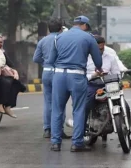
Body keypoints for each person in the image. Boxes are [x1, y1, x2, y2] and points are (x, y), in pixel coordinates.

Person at [48, 15, 103, 152]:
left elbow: (50, 60)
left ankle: (55, 143)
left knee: (57, 109)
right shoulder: (88, 37)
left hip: (59, 76)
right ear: (84, 25)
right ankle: (77, 143)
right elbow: (98, 61)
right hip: (77, 76)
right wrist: (99, 68)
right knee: (78, 110)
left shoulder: (59, 37)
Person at [85, 36, 131, 149]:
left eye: (102, 48)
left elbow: (116, 73)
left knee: (125, 106)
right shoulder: (85, 58)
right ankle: (81, 132)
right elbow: (82, 75)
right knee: (86, 104)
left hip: (108, 84)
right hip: (92, 84)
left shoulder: (110, 57)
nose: (100, 51)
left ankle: (128, 138)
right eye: (97, 49)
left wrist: (114, 78)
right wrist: (94, 75)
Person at [33, 18, 71, 139]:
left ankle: (47, 129)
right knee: (60, 103)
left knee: (48, 102)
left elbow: (36, 58)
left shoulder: (43, 41)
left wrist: (46, 64)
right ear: (61, 28)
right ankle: (59, 130)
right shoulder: (63, 39)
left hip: (47, 73)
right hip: (59, 73)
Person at [0, 35, 25, 118]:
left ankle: (7, 106)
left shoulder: (2, 52)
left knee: (15, 83)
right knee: (5, 82)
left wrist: (15, 72)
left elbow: (11, 64)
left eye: (0, 42)